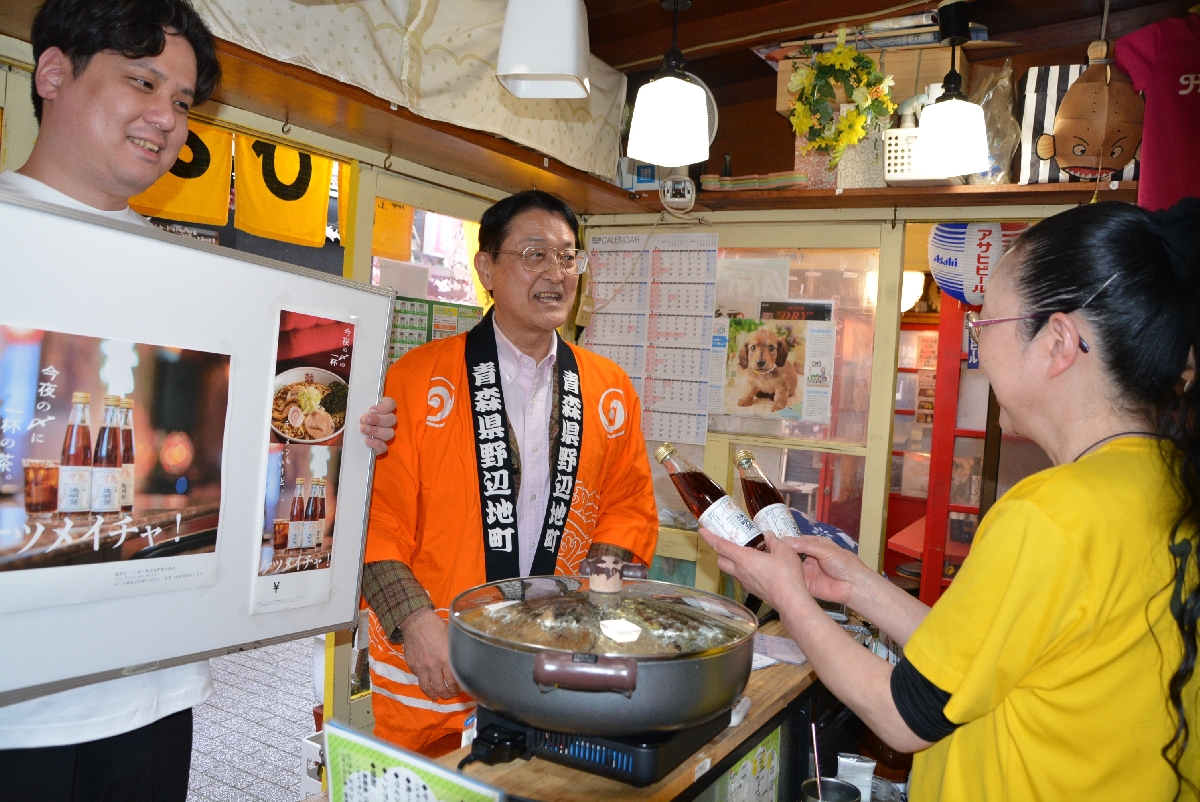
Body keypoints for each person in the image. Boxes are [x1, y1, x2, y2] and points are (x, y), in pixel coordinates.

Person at [0, 1, 396, 798]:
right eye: (142, 82)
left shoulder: (197, 278)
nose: (167, 118)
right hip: (18, 712)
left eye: (183, 102)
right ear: (51, 73)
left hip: (160, 687)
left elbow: (254, 440)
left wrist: (342, 441)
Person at [706, 199, 1200, 801]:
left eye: (984, 323)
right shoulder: (1169, 482)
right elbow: (982, 657)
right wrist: (860, 588)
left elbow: (903, 715)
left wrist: (784, 593)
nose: (978, 349)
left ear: (1059, 341)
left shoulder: (1052, 513)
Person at [362, 189, 658, 754]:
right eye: (534, 254)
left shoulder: (608, 389)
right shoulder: (417, 379)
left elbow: (628, 507)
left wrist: (595, 603)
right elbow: (379, 515)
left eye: (569, 257)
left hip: (554, 654)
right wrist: (414, 622)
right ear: (486, 269)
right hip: (437, 659)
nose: (556, 273)